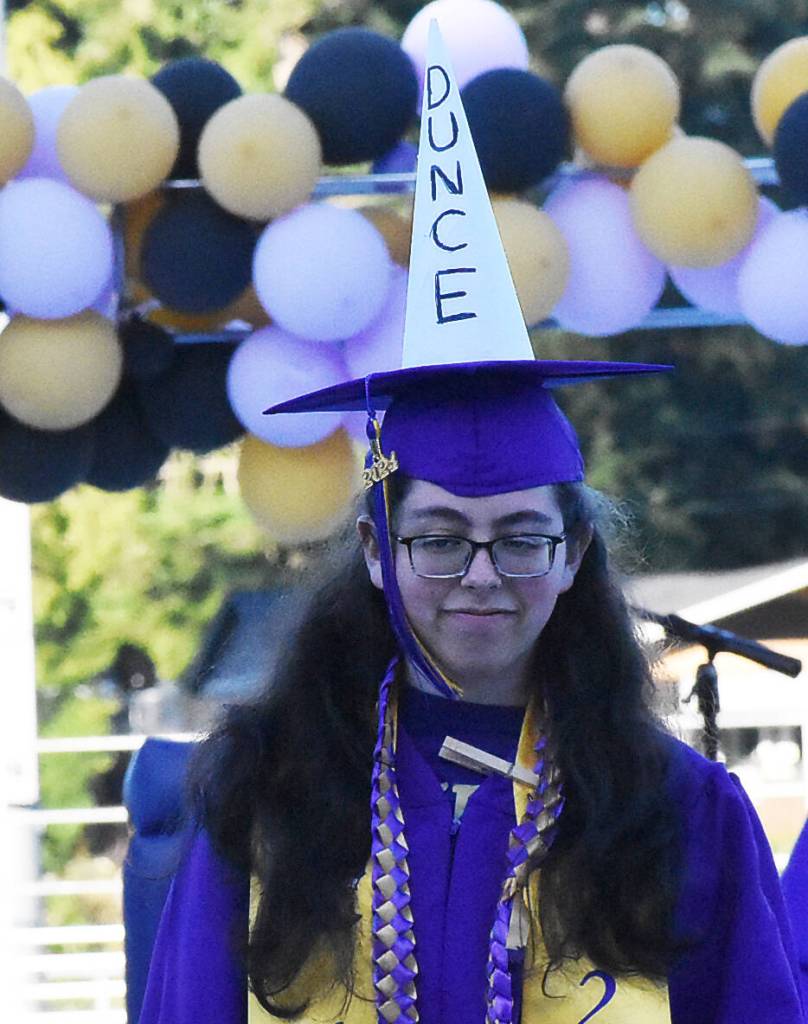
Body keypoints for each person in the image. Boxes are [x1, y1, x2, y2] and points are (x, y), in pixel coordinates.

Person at [139, 24, 802, 1024]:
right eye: (440, 537)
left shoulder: (680, 806)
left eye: (523, 538)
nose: (482, 574)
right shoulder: (268, 794)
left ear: (574, 551)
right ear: (374, 547)